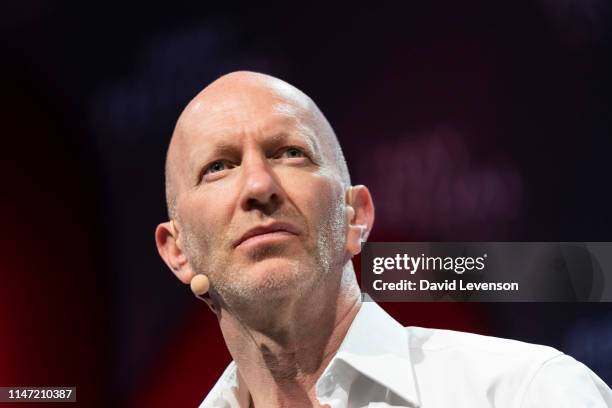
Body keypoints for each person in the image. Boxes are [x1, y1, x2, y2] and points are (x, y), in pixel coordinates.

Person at [155, 71, 612, 408]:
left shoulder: (528, 392)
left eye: (291, 153)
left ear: (355, 218)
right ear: (177, 252)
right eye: (217, 167)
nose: (258, 185)